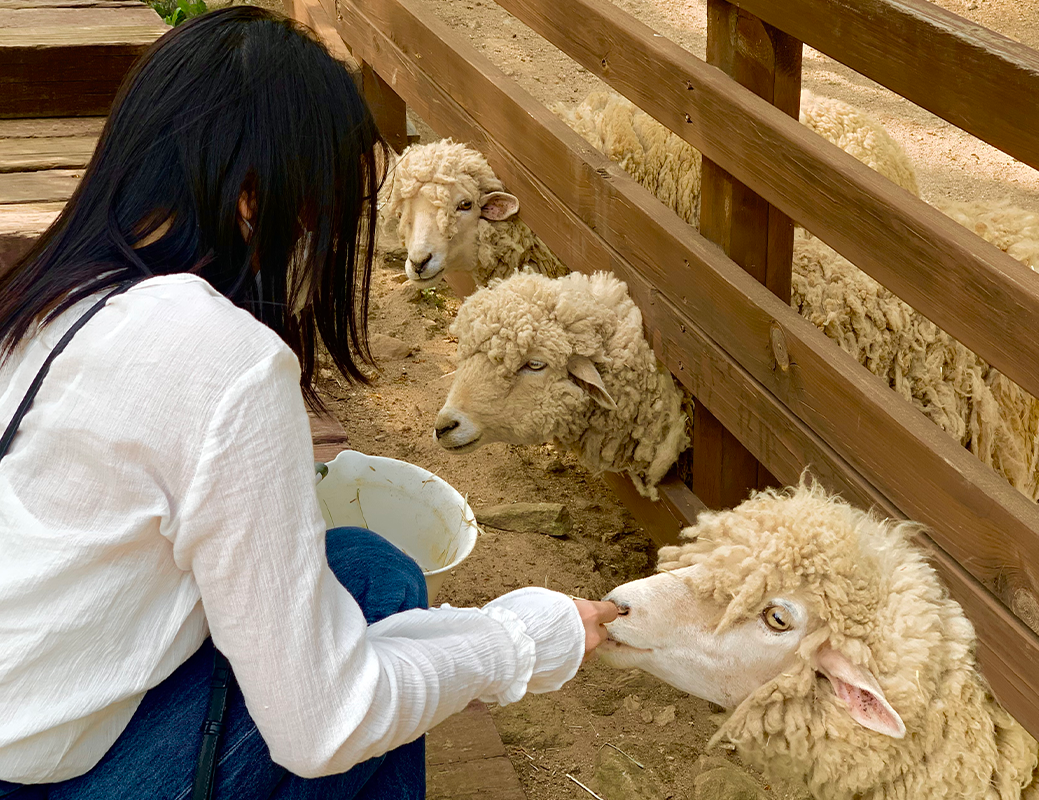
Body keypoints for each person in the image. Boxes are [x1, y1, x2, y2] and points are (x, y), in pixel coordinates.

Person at [0, 7, 617, 799]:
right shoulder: (222, 360)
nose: (326, 243)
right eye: (324, 207)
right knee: (375, 618)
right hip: (37, 777)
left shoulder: (49, 291)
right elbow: (324, 724)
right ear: (255, 197)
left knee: (361, 570)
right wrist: (520, 641)